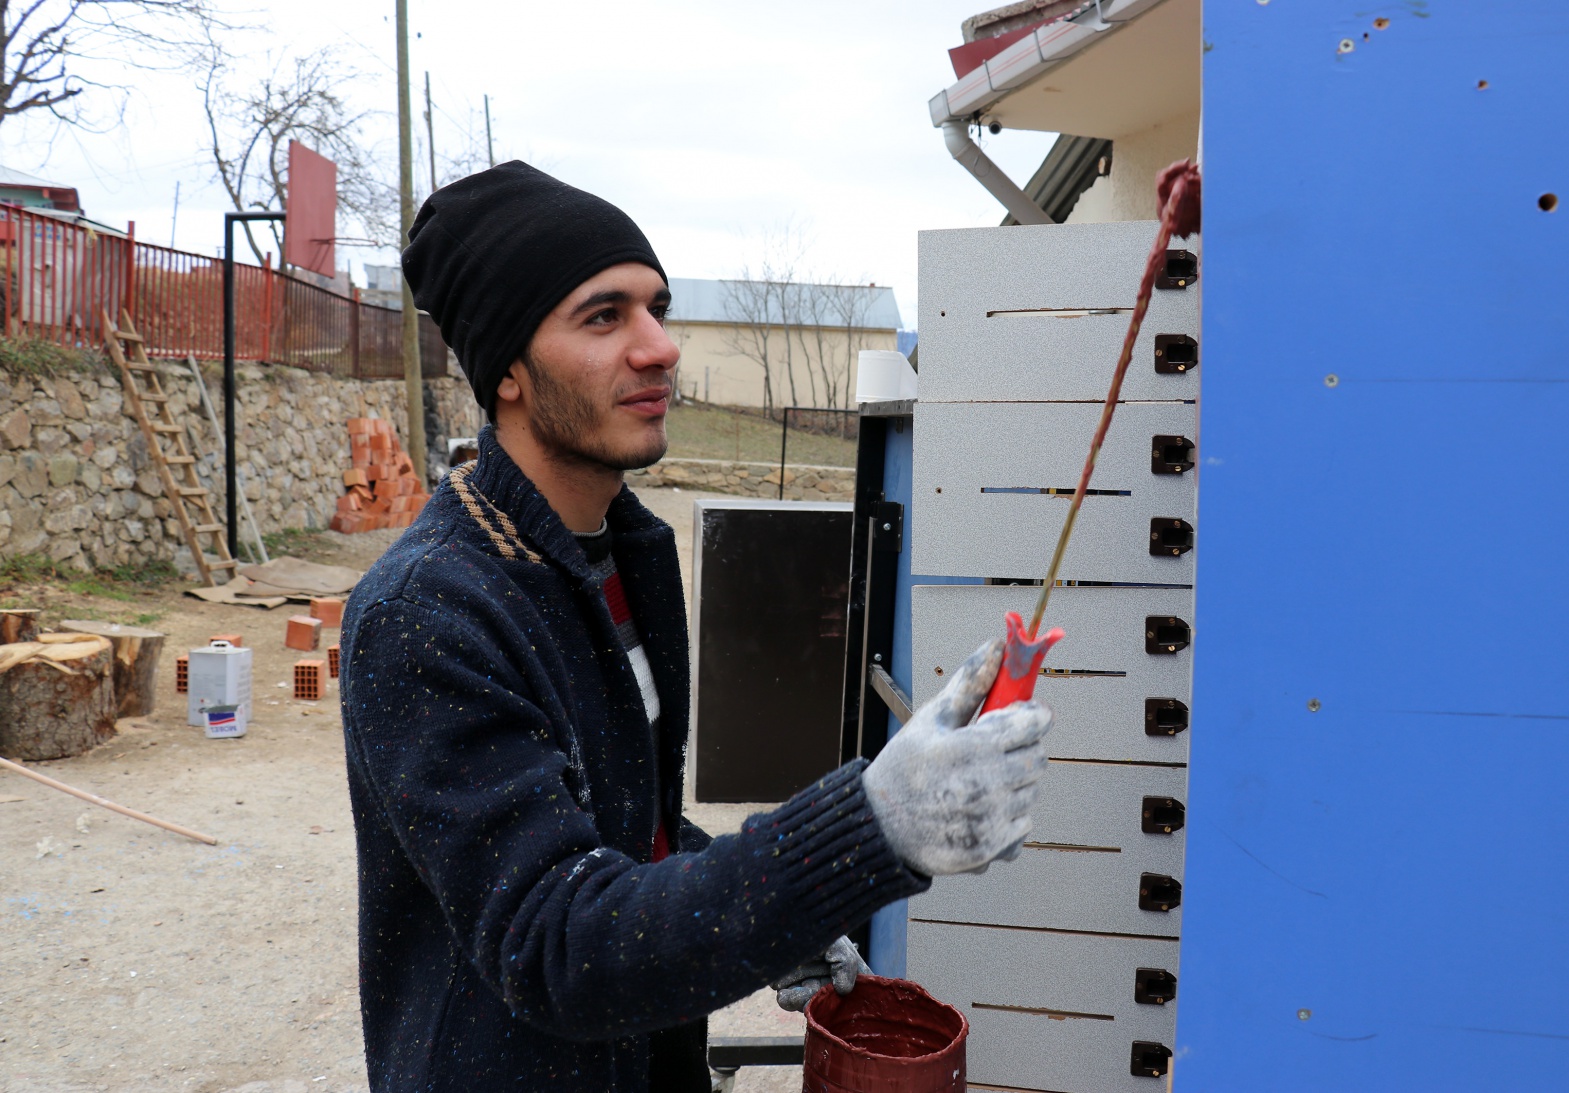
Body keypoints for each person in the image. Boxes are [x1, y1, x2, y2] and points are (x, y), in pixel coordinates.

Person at [340, 161, 1052, 1092]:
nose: (660, 346)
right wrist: (866, 830)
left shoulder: (624, 553)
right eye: (604, 316)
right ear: (507, 369)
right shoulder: (429, 612)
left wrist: (778, 914)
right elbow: (560, 942)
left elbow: (621, 823)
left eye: (657, 308)